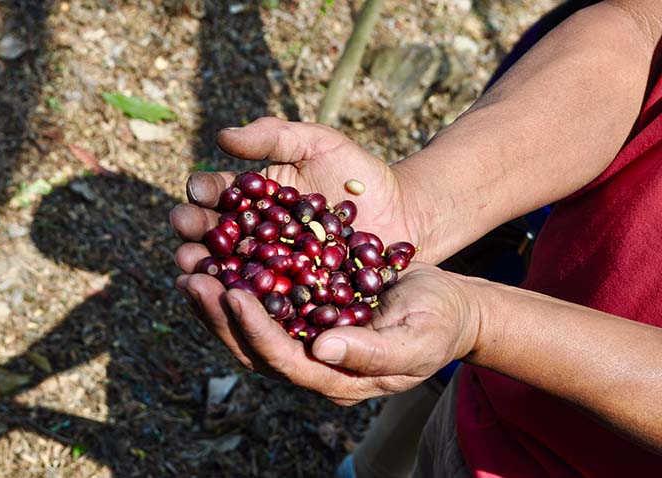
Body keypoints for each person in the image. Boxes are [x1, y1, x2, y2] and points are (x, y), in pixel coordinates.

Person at [170, 0, 662, 476]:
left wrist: (484, 322)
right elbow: (641, 29)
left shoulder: (477, 321)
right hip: (490, 406)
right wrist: (419, 203)